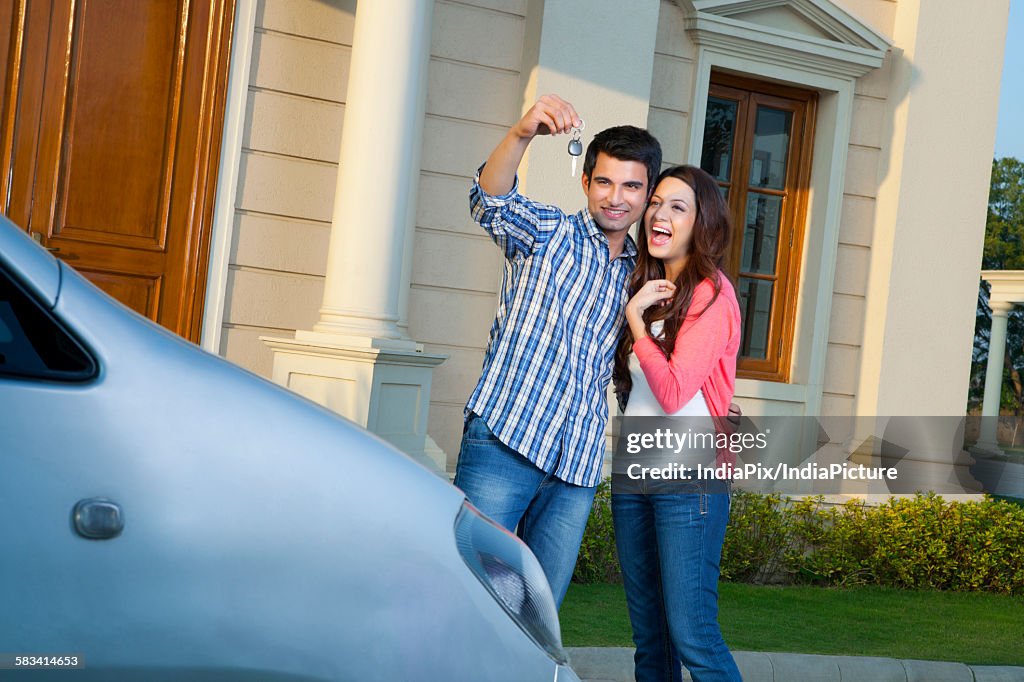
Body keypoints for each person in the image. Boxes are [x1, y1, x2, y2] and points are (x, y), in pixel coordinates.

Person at [453, 94, 662, 607]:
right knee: (468, 593)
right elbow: (491, 201)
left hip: (577, 466)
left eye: (632, 185)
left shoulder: (643, 276)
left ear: (648, 193)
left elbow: (635, 371)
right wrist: (523, 132)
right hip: (505, 440)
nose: (617, 197)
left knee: (537, 611)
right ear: (586, 182)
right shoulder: (547, 232)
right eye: (606, 182)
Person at [611, 165, 743, 682]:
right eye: (657, 202)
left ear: (701, 223)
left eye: (677, 207)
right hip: (636, 474)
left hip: (690, 479)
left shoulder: (711, 295)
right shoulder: (651, 285)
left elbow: (672, 391)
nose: (660, 214)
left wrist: (636, 324)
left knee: (693, 634)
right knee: (651, 641)